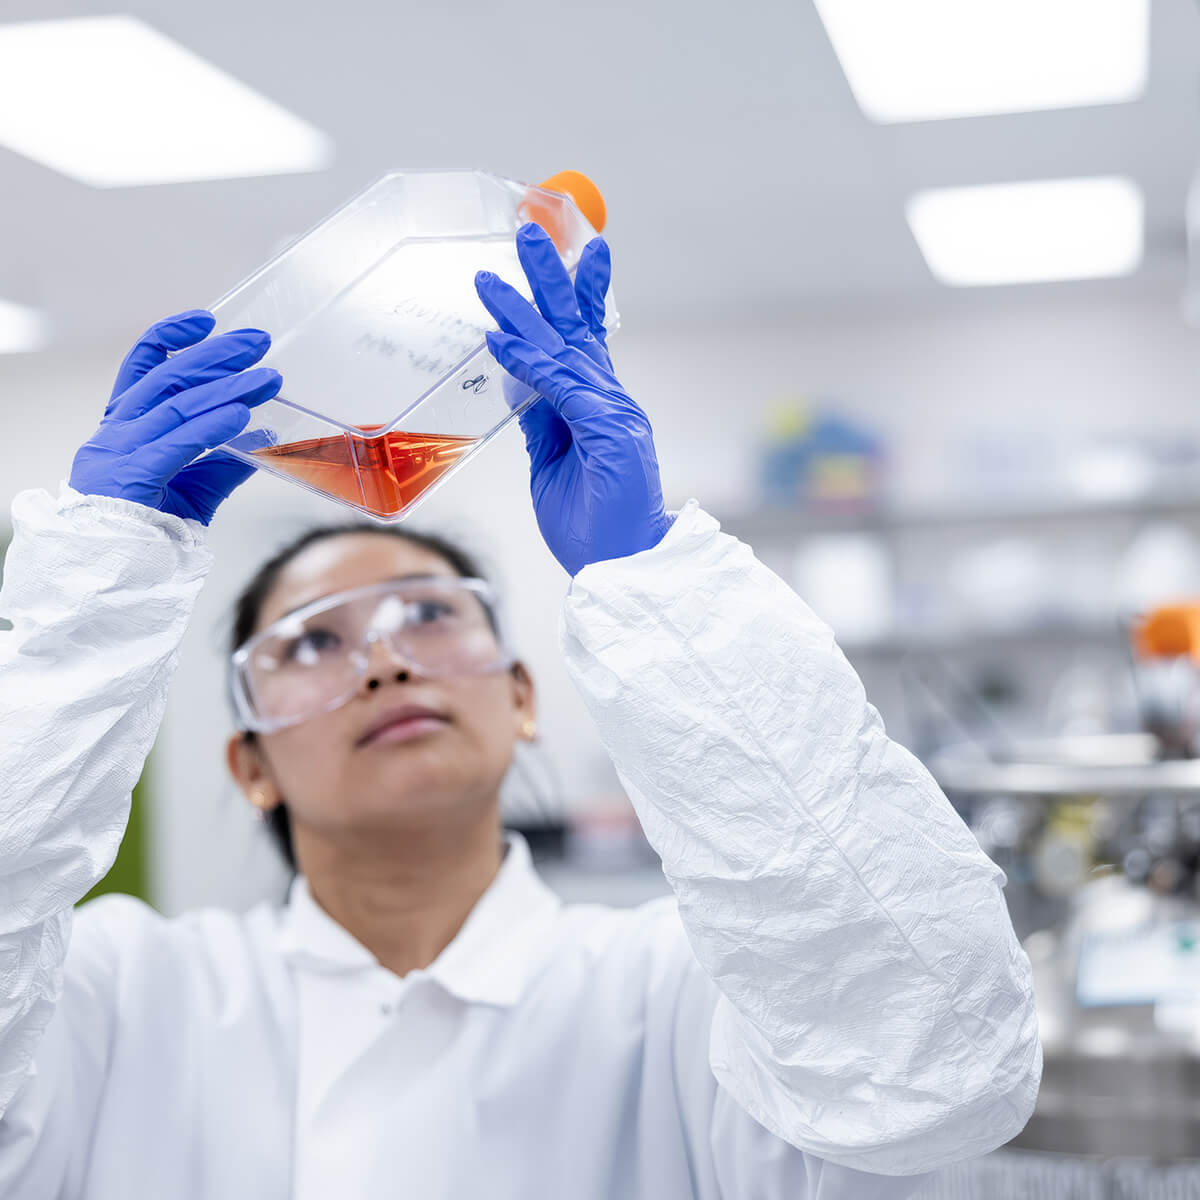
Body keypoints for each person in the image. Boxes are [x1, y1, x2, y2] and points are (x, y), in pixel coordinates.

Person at [0, 223, 1040, 1199]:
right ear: (249, 763)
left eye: (428, 614)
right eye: (313, 640)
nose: (386, 662)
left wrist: (652, 582)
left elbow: (933, 1077)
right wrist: (95, 593)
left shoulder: (680, 993)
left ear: (523, 696)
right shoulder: (124, 991)